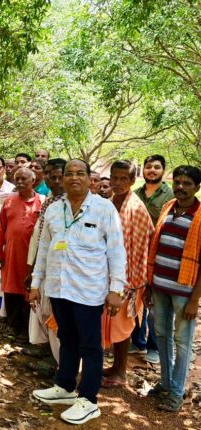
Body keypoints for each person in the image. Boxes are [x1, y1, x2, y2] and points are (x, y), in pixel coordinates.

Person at [31, 160, 126, 425]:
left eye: (79, 173)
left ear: (89, 179)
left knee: (90, 345)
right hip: (59, 288)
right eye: (68, 174)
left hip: (89, 290)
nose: (73, 178)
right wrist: (36, 284)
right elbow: (45, 250)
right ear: (62, 179)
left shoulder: (104, 209)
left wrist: (116, 289)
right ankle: (65, 387)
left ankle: (89, 400)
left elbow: (117, 251)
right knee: (67, 338)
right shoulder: (54, 209)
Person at [145, 165, 201, 412]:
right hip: (159, 285)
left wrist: (194, 300)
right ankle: (165, 383)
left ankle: (177, 391)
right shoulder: (168, 207)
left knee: (182, 340)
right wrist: (149, 284)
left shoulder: (199, 214)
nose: (181, 187)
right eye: (178, 182)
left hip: (184, 291)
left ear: (197, 187)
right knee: (162, 335)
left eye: (187, 183)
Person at [100, 160, 153, 389]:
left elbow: (143, 245)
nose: (118, 183)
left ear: (133, 181)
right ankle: (115, 366)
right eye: (115, 177)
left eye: (124, 179)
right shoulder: (109, 202)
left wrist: (126, 283)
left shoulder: (136, 208)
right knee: (111, 324)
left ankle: (121, 372)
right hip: (108, 275)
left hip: (128, 280)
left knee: (121, 327)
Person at [0, 168, 42, 340]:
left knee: (29, 291)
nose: (20, 182)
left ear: (33, 181)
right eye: (17, 179)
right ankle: (13, 326)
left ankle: (28, 330)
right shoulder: (9, 201)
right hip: (12, 255)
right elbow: (1, 229)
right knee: (12, 290)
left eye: (24, 179)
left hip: (33, 257)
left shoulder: (41, 202)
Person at [26, 158, 67, 371]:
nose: (55, 180)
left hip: (60, 271)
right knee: (43, 310)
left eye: (60, 176)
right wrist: (33, 267)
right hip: (43, 265)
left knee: (56, 316)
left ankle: (58, 362)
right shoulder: (50, 200)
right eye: (51, 175)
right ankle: (48, 352)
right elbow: (40, 238)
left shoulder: (70, 204)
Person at [132, 155, 171, 363]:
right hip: (137, 254)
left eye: (157, 167)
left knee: (155, 304)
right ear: (143, 170)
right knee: (136, 298)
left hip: (159, 256)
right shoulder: (135, 194)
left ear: (163, 171)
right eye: (148, 167)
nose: (152, 170)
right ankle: (136, 341)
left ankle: (154, 346)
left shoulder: (170, 195)